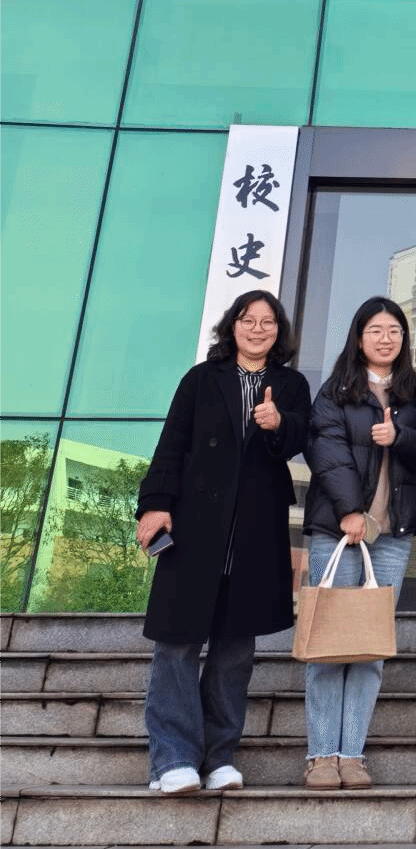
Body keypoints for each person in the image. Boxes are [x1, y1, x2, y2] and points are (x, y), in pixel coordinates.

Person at [135, 290, 311, 794]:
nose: (258, 329)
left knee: (235, 652)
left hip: (253, 537)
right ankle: (173, 759)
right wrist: (155, 503)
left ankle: (219, 758)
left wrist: (279, 424)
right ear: (232, 326)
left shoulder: (291, 385)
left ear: (279, 331)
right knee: (177, 646)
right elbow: (172, 444)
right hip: (195, 529)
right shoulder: (201, 379)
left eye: (268, 322)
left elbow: (299, 439)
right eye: (248, 320)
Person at [301, 296, 416, 789]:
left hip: (392, 535)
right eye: (376, 331)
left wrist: (399, 437)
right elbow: (325, 449)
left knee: (369, 648)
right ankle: (322, 755)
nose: (386, 339)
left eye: (394, 331)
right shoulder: (337, 391)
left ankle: (352, 755)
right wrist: (349, 510)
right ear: (359, 337)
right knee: (329, 644)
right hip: (338, 530)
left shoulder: (415, 393)